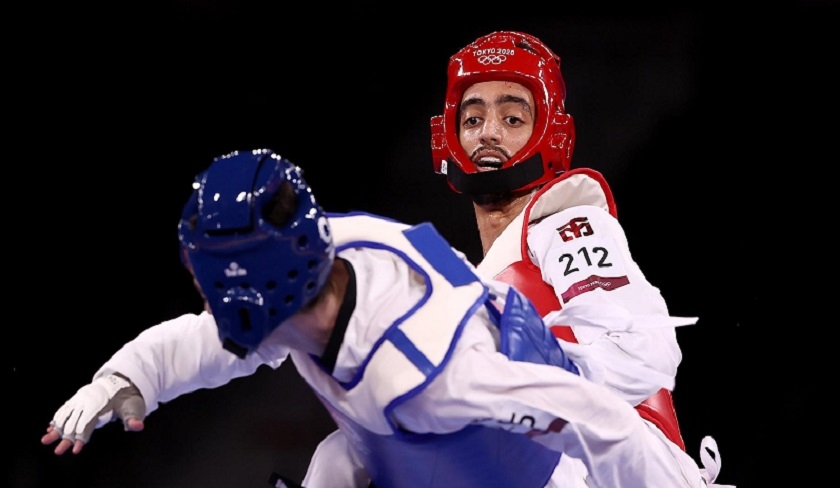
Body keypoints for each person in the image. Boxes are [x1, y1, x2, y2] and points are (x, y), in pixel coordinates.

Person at [42, 149, 723, 488]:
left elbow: (594, 418)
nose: (210, 305)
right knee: (334, 461)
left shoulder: (430, 373)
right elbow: (210, 338)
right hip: (407, 452)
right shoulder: (328, 247)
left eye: (216, 287)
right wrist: (127, 377)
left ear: (264, 295)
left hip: (537, 475)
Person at [302, 30, 731, 487]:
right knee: (346, 450)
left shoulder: (569, 225)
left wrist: (533, 368)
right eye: (472, 120)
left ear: (551, 133)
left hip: (625, 466)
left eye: (511, 118)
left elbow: (646, 354)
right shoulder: (463, 281)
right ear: (445, 137)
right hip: (539, 458)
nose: (488, 132)